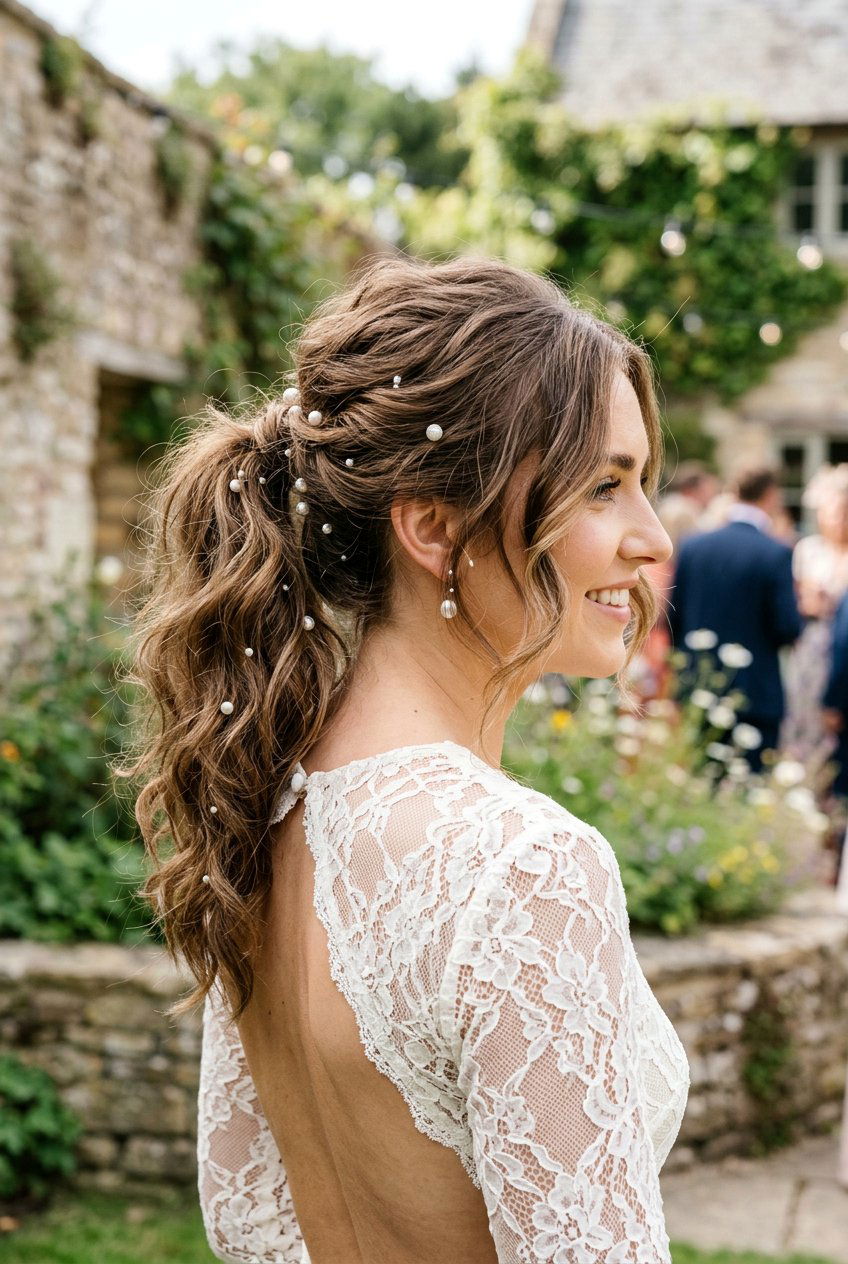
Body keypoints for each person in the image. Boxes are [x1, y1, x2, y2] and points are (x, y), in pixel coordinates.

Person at [125, 256, 687, 1264]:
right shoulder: (520, 868)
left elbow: (249, 1220)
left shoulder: (268, 799)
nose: (651, 539)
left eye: (643, 483)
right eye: (605, 486)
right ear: (433, 527)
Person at [669, 466, 803, 772]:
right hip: (755, 694)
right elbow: (786, 628)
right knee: (748, 790)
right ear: (771, 496)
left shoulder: (693, 546)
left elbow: (673, 617)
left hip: (699, 688)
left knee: (699, 784)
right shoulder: (775, 553)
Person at [781, 464, 848, 766]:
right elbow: (796, 599)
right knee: (805, 710)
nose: (838, 521)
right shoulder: (808, 550)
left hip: (842, 644)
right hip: (813, 641)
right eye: (833, 513)